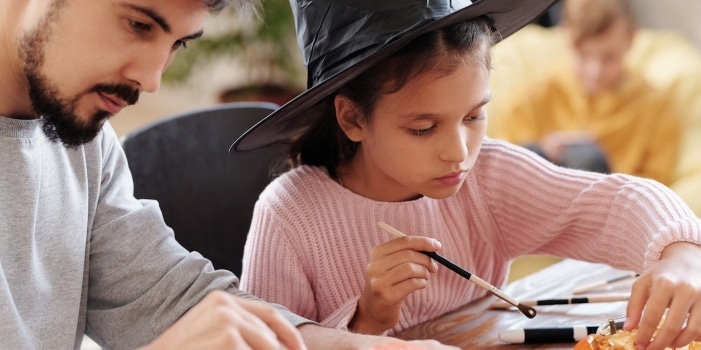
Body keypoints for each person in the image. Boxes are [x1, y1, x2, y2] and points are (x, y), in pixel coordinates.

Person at [232, 0, 701, 349]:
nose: (459, 153)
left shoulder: (488, 176)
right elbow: (267, 341)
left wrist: (684, 257)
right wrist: (366, 319)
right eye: (423, 129)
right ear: (353, 119)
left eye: (474, 116)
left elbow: (616, 202)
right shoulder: (290, 215)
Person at [0, 0, 456, 349]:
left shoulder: (89, 144)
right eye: (138, 24)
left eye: (177, 43)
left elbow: (171, 299)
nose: (151, 77)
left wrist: (362, 345)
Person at [487, 0, 682, 185]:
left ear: (630, 39)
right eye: (583, 55)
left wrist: (606, 169)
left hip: (611, 208)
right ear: (565, 34)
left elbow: (657, 187)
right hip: (539, 202)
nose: (595, 71)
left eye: (609, 57)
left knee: (588, 159)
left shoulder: (657, 108)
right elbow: (501, 171)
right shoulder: (532, 98)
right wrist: (547, 154)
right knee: (531, 153)